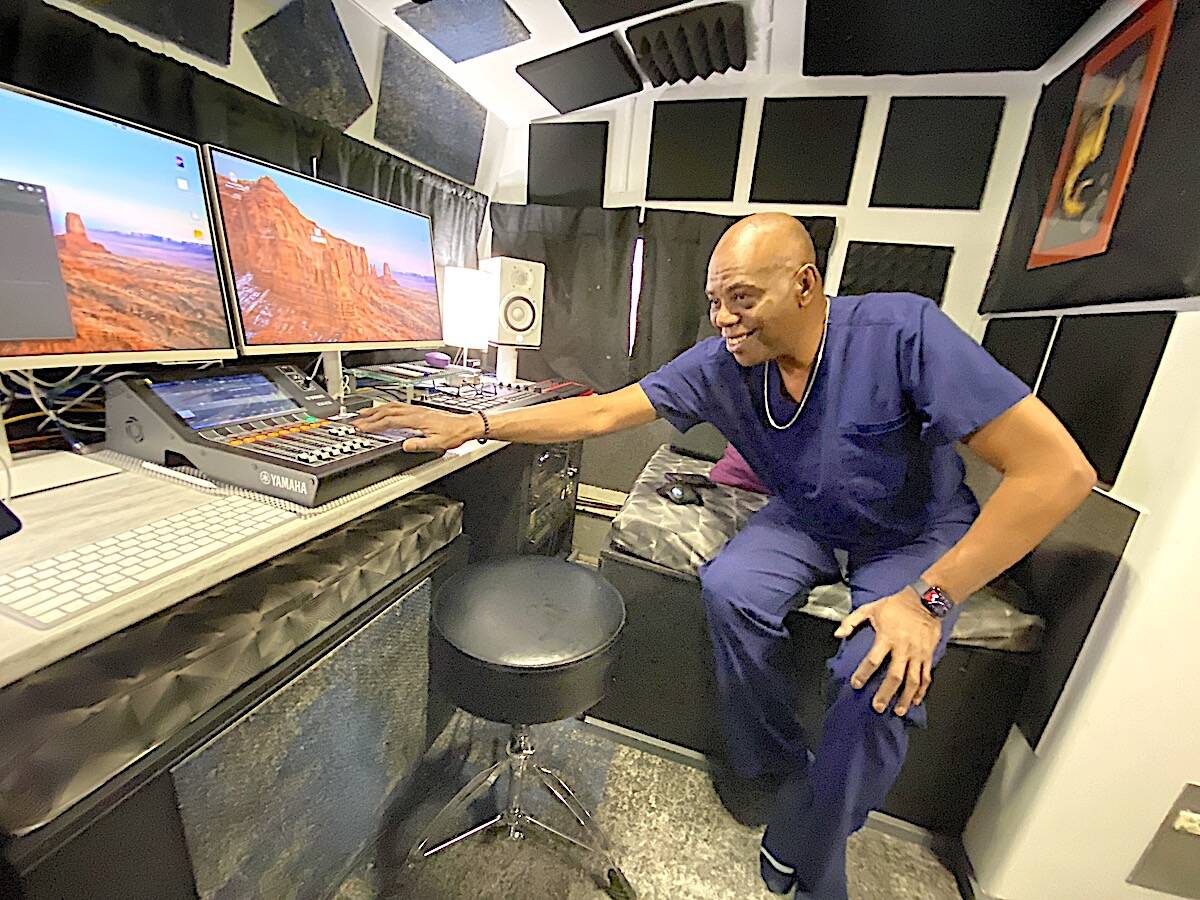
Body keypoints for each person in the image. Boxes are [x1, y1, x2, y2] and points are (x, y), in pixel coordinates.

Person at [355, 213, 1095, 899]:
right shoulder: (722, 362)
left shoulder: (903, 333)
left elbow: (1058, 472)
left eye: (742, 297)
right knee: (731, 589)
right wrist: (477, 422)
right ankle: (768, 765)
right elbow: (606, 410)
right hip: (803, 518)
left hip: (916, 535)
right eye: (715, 301)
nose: (723, 318)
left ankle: (813, 841)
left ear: (805, 283)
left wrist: (929, 600)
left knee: (880, 673)